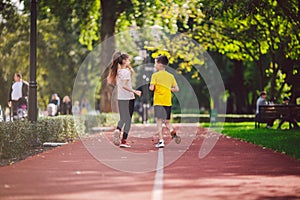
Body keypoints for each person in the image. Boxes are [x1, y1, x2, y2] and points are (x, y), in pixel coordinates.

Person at [108, 51, 141, 148]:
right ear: (124, 61)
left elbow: (125, 81)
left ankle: (118, 129)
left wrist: (130, 68)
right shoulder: (125, 72)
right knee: (128, 120)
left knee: (123, 118)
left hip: (121, 98)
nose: (130, 61)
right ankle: (123, 141)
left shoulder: (118, 72)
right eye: (128, 60)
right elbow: (124, 86)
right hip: (129, 98)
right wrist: (135, 91)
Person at [149, 55, 180, 148]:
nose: (154, 65)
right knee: (167, 121)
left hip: (158, 102)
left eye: (155, 63)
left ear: (160, 64)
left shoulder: (155, 75)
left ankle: (161, 141)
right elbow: (177, 89)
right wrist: (168, 88)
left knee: (159, 121)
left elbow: (151, 88)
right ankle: (171, 131)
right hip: (167, 101)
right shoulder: (170, 76)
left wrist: (152, 87)